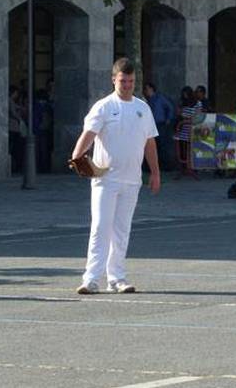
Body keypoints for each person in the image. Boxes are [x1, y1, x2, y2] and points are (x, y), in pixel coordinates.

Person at [70, 58, 160, 294]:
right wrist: (77, 155)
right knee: (101, 227)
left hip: (132, 180)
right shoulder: (103, 106)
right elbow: (88, 134)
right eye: (123, 80)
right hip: (105, 179)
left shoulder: (143, 108)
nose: (127, 85)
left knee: (122, 230)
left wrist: (155, 173)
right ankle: (91, 279)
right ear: (114, 79)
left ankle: (117, 278)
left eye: (131, 81)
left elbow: (150, 143)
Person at [143, 82, 175, 169]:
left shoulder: (160, 98)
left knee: (162, 144)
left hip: (160, 124)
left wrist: (168, 119)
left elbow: (170, 107)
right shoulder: (148, 100)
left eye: (147, 89)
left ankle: (165, 165)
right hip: (151, 124)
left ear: (151, 89)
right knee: (153, 145)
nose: (146, 91)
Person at [8, 85, 26, 174]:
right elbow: (13, 113)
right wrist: (20, 119)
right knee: (14, 148)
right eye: (16, 93)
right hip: (13, 128)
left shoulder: (11, 101)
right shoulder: (10, 101)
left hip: (13, 127)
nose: (17, 95)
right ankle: (14, 167)